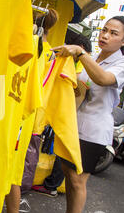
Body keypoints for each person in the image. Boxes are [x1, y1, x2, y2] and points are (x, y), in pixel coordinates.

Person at [47, 16, 124, 213]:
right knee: (67, 172)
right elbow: (80, 83)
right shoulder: (94, 57)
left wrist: (79, 52)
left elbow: (103, 79)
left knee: (77, 181)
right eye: (104, 30)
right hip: (73, 124)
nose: (105, 35)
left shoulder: (121, 66)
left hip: (94, 131)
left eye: (113, 33)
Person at [0, 8, 59, 213]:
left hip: (14, 116)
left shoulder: (29, 46)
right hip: (24, 118)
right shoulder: (49, 52)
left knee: (8, 172)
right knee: (10, 172)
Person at [32, 33, 93, 198]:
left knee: (65, 157)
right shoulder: (75, 65)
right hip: (68, 114)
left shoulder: (78, 66)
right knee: (62, 154)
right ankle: (53, 186)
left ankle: (52, 186)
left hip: (71, 116)